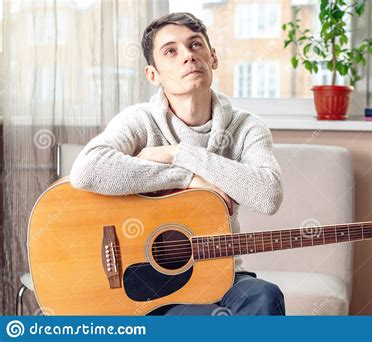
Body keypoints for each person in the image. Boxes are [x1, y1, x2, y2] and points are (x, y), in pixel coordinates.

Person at [70, 12, 285, 316]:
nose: (188, 56)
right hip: (145, 278)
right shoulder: (138, 120)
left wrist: (180, 153)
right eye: (171, 51)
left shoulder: (247, 127)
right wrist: (187, 179)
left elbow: (268, 195)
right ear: (153, 74)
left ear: (213, 58)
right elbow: (87, 169)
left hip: (223, 274)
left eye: (196, 45)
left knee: (264, 296)